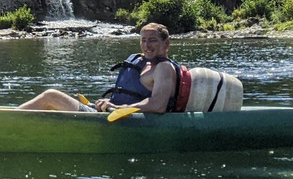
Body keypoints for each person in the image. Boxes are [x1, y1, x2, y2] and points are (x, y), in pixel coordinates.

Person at [17, 23, 180, 114]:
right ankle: (14, 118)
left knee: (51, 96)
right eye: (143, 40)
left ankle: (7, 121)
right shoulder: (144, 62)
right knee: (50, 103)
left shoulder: (163, 68)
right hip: (108, 114)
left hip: (117, 121)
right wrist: (111, 103)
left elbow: (158, 105)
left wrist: (121, 107)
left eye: (152, 40)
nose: (146, 45)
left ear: (166, 44)